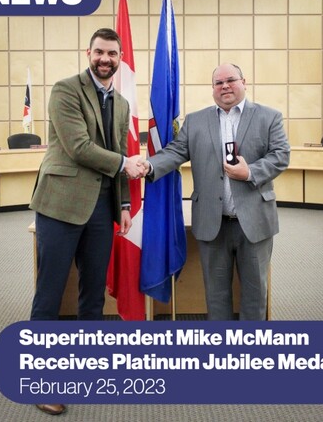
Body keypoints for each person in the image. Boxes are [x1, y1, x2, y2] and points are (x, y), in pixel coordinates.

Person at [29, 28, 144, 416]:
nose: (104, 59)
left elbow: (115, 153)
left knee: (93, 292)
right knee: (50, 292)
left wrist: (125, 203)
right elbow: (78, 147)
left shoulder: (123, 103)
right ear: (88, 53)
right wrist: (127, 165)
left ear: (120, 57)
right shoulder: (65, 90)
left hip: (101, 208)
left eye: (112, 53)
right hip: (60, 205)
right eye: (98, 52)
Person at [139, 63, 290, 322]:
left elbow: (280, 155)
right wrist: (149, 165)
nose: (225, 86)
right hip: (212, 222)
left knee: (255, 294)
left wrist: (250, 173)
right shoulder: (196, 120)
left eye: (231, 80)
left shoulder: (269, 117)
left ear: (244, 81)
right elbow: (176, 152)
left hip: (254, 222)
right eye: (218, 83)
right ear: (213, 89)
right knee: (216, 295)